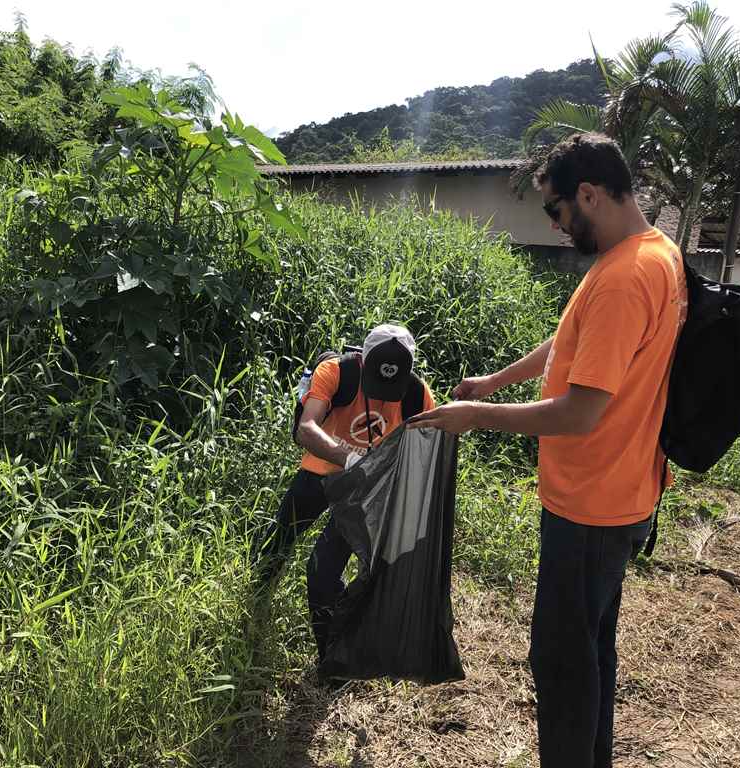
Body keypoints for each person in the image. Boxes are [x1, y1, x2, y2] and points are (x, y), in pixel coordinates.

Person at [408, 133, 687, 768]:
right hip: (619, 493)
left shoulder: (624, 277)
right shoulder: (652, 254)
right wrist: (494, 382)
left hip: (592, 505)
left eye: (555, 210)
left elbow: (581, 412)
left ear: (588, 194)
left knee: (561, 660)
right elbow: (569, 345)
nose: (556, 225)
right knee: (591, 649)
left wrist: (476, 416)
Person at [254, 324, 434, 661]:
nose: (384, 393)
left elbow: (423, 453)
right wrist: (350, 459)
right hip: (320, 472)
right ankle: (255, 603)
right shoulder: (336, 372)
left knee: (322, 572)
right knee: (278, 540)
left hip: (364, 493)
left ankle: (335, 658)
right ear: (363, 360)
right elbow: (306, 429)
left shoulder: (416, 394)